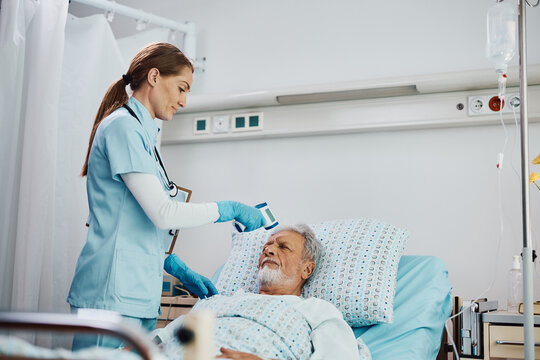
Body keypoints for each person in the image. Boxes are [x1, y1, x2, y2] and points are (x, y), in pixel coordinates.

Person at [67, 42, 265, 350]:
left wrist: (171, 264)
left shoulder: (143, 135)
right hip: (111, 293)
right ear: (155, 76)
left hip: (136, 294)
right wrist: (229, 209)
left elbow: (133, 221)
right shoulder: (123, 128)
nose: (184, 102)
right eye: (182, 88)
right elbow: (162, 212)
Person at [154, 225, 367, 360]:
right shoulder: (217, 301)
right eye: (266, 246)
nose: (269, 250)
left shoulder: (317, 310)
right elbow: (160, 338)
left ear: (307, 269)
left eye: (284, 247)